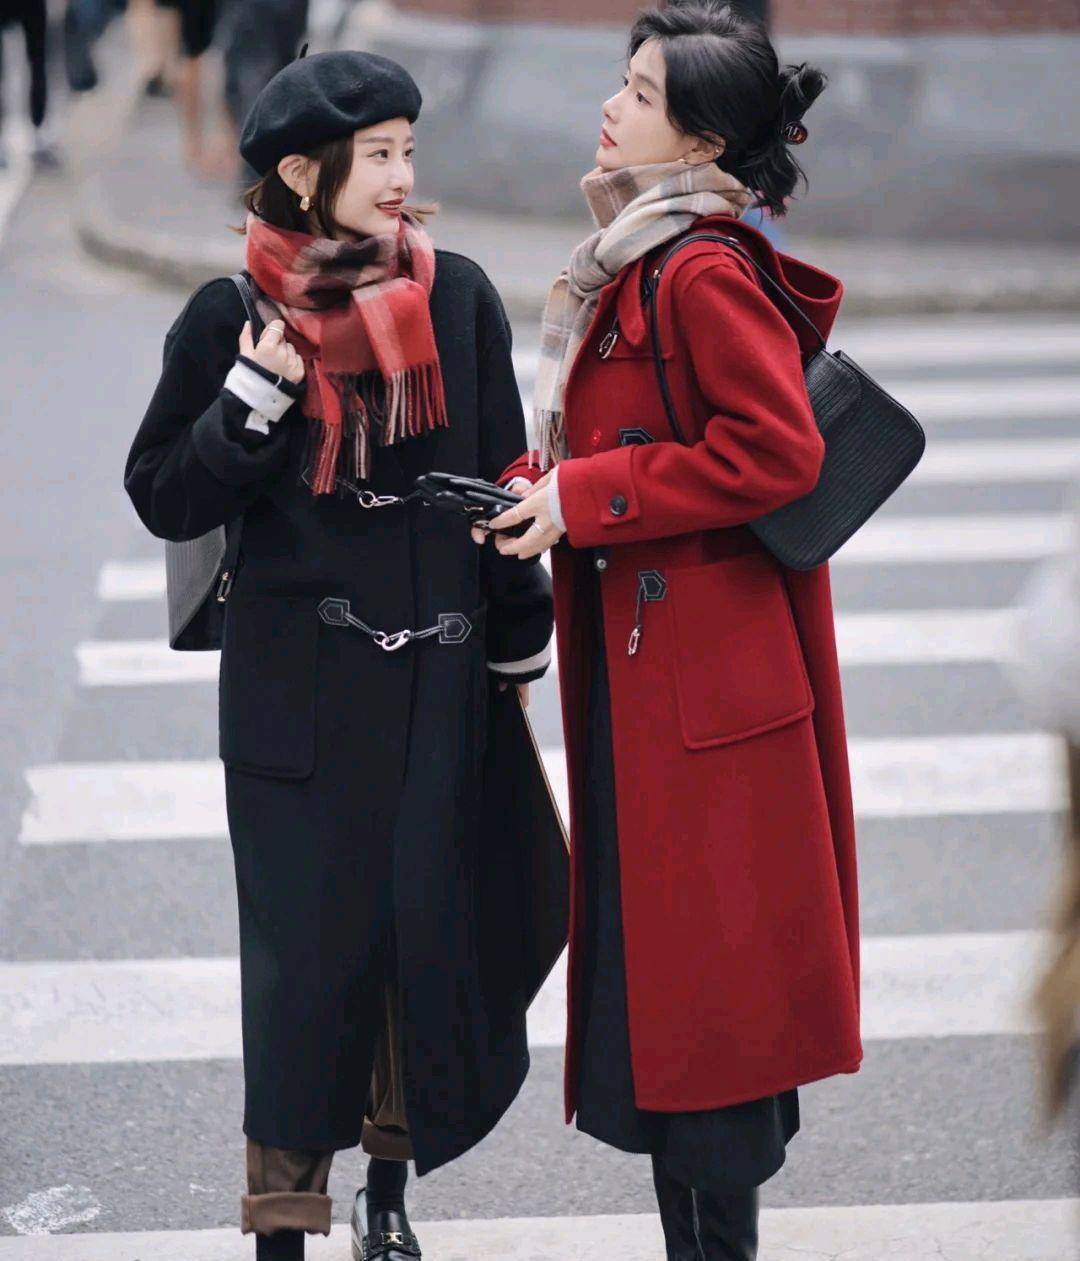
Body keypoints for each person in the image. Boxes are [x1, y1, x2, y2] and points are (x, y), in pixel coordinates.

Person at [125, 49, 555, 1261]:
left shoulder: (458, 299)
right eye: (379, 155)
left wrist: (514, 650)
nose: (402, 175)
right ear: (306, 174)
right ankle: (282, 1223)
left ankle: (390, 1193)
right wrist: (249, 404)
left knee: (418, 949)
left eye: (409, 150)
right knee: (300, 973)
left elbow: (502, 482)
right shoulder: (231, 316)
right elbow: (162, 493)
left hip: (432, 694)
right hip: (295, 714)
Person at [475, 5, 861, 1257]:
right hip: (662, 681)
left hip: (706, 702)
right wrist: (545, 488)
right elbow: (637, 433)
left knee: (712, 1016)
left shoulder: (695, 269)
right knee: (670, 1008)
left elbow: (776, 450)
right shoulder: (637, 255)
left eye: (641, 94)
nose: (611, 106)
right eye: (623, 82)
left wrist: (587, 495)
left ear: (697, 141)